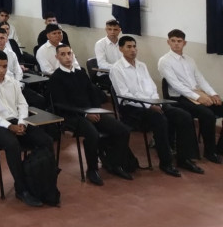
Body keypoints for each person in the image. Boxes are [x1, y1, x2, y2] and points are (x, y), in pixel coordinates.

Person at [110, 35, 202, 177]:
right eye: (129, 47)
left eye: (134, 46)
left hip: (153, 103)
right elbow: (125, 95)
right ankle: (166, 162)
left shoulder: (142, 65)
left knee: (183, 116)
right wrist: (148, 105)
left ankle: (184, 158)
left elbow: (152, 88)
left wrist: (154, 101)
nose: (133, 50)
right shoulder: (117, 69)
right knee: (160, 120)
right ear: (121, 49)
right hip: (132, 108)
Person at [0, 50, 53, 207]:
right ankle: (22, 188)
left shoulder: (12, 81)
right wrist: (9, 126)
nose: (1, 70)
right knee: (12, 145)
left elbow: (22, 104)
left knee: (46, 140)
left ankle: (44, 180)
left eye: (4, 66)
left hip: (17, 121)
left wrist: (22, 123)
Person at [49, 44, 133, 185]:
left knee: (122, 130)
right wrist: (86, 115)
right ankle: (92, 170)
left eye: (69, 53)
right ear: (57, 57)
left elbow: (92, 93)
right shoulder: (56, 78)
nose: (67, 57)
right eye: (63, 54)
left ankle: (114, 163)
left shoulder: (81, 72)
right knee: (92, 134)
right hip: (72, 116)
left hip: (91, 112)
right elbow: (61, 104)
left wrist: (95, 110)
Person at [158, 29, 223, 163]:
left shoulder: (189, 60)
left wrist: (213, 93)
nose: (176, 44)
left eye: (179, 41)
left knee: (220, 106)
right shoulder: (164, 61)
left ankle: (220, 148)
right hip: (178, 98)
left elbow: (200, 79)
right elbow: (176, 85)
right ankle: (209, 152)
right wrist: (198, 97)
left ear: (184, 43)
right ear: (168, 42)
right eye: (173, 41)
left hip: (195, 94)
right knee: (208, 114)